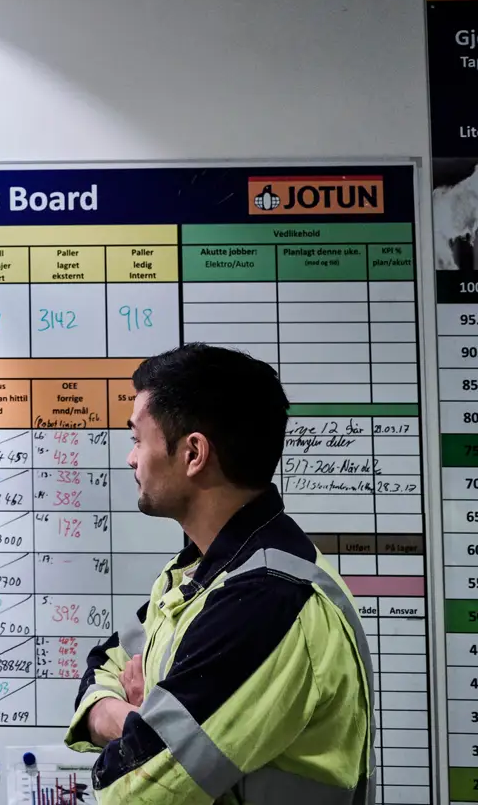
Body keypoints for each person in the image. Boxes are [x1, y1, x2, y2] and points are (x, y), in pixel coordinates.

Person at [63, 343, 374, 804]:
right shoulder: (197, 573)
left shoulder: (267, 600)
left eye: (137, 439)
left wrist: (141, 723)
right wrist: (133, 721)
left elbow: (131, 790)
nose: (131, 458)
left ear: (193, 453)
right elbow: (103, 664)